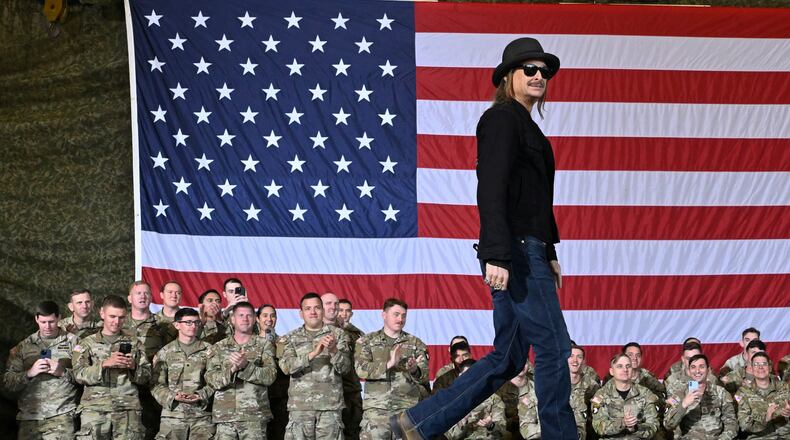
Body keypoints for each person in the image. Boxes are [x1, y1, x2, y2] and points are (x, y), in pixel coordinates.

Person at [391, 37, 575, 440]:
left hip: (531, 250)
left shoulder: (527, 126)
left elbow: (534, 198)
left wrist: (552, 249)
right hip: (516, 253)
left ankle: (418, 422)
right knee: (555, 348)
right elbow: (491, 188)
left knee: (508, 357)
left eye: (544, 70)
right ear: (508, 76)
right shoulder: (501, 120)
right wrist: (498, 254)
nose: (539, 75)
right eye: (529, 69)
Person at [73, 295, 152, 439]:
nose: (117, 321)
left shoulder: (135, 343)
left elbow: (147, 375)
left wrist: (134, 367)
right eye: (112, 316)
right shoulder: (86, 343)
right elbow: (78, 375)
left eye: (121, 317)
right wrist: (104, 364)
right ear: (102, 313)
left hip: (127, 409)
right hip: (95, 410)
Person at [3, 301, 81, 439]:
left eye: (51, 321)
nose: (47, 327)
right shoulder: (23, 347)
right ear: (36, 319)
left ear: (59, 318)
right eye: (43, 322)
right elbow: (8, 384)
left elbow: (86, 377)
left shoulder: (75, 343)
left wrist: (63, 372)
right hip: (30, 419)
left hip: (61, 417)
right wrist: (29, 373)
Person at [279, 292, 351, 440]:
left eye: (317, 308)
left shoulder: (339, 335)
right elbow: (286, 368)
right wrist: (313, 354)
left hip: (330, 408)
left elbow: (345, 369)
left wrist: (333, 351)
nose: (313, 312)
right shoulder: (289, 338)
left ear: (323, 311)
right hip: (300, 408)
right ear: (301, 313)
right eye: (308, 308)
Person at [355, 298, 429, 440]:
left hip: (406, 411)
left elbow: (424, 376)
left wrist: (414, 369)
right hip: (376, 412)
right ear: (384, 315)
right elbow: (361, 369)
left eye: (403, 315)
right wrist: (389, 364)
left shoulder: (416, 343)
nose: (400, 319)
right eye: (396, 314)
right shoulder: (367, 342)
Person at [206, 301, 277, 439]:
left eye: (249, 315)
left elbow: (270, 376)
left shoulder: (264, 345)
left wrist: (246, 366)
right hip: (225, 417)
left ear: (255, 319)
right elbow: (211, 380)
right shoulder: (219, 347)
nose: (245, 319)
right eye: (241, 315)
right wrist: (231, 370)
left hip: (254, 417)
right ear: (232, 319)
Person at [150, 308, 214, 439]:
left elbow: (216, 381)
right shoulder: (165, 352)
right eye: (188, 322)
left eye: (196, 322)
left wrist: (200, 395)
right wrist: (173, 396)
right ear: (177, 325)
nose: (193, 326)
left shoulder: (210, 351)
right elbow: (156, 384)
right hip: (173, 416)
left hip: (201, 417)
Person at [124, 280, 165, 439]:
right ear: (130, 298)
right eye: (138, 293)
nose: (142, 296)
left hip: (152, 390)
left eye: (146, 293)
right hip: (125, 389)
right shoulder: (119, 323)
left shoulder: (162, 325)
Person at [664, 354, 737, 439]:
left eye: (701, 367)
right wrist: (683, 404)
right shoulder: (680, 394)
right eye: (693, 367)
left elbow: (732, 423)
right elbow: (668, 425)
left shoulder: (721, 393)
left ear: (708, 369)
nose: (697, 371)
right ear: (689, 370)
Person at [323, 293, 364, 440]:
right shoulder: (320, 330)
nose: (343, 314)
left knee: (352, 430)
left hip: (349, 388)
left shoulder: (356, 335)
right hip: (327, 391)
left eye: (347, 311)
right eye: (341, 310)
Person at [590, 354, 659, 439]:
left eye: (628, 366)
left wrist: (635, 428)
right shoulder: (601, 395)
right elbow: (599, 427)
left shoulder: (645, 394)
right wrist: (623, 423)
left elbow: (653, 426)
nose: (625, 370)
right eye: (619, 366)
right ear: (611, 371)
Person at [518, 360, 587, 440]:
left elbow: (581, 430)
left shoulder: (574, 397)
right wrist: (552, 428)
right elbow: (525, 429)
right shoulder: (529, 398)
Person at [734, 351, 790, 439]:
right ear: (751, 369)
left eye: (764, 363)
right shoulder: (742, 393)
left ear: (770, 368)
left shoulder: (785, 387)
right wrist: (766, 418)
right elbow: (744, 425)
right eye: (756, 364)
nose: (760, 367)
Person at [446, 359, 506, 439]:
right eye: (466, 375)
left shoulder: (494, 399)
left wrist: (490, 425)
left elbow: (502, 432)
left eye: (473, 375)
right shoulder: (453, 401)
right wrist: (464, 420)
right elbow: (451, 436)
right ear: (460, 376)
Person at [258, 304, 289, 440]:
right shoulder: (250, 342)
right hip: (256, 401)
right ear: (257, 319)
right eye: (265, 315)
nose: (269, 319)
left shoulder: (284, 342)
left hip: (280, 401)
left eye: (272, 315)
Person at [154, 281, 182, 345]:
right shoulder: (152, 320)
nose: (174, 295)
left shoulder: (188, 320)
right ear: (162, 295)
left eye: (178, 293)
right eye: (170, 292)